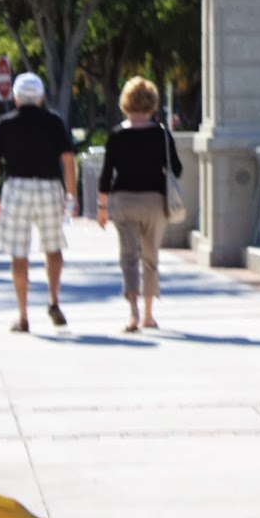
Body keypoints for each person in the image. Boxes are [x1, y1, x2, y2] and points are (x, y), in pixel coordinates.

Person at [0, 72, 76, 333]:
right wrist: (71, 194)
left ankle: (23, 316)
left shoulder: (4, 123)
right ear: (41, 97)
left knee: (19, 253)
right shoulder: (54, 121)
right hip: (49, 187)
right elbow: (68, 158)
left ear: (15, 98)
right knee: (53, 247)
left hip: (17, 188)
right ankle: (53, 301)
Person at [96, 75, 181, 333]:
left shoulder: (117, 135)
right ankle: (148, 314)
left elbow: (106, 174)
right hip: (155, 201)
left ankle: (132, 313)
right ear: (152, 103)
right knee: (150, 258)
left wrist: (101, 207)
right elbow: (176, 168)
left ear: (126, 102)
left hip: (123, 201)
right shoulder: (162, 135)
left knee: (128, 257)